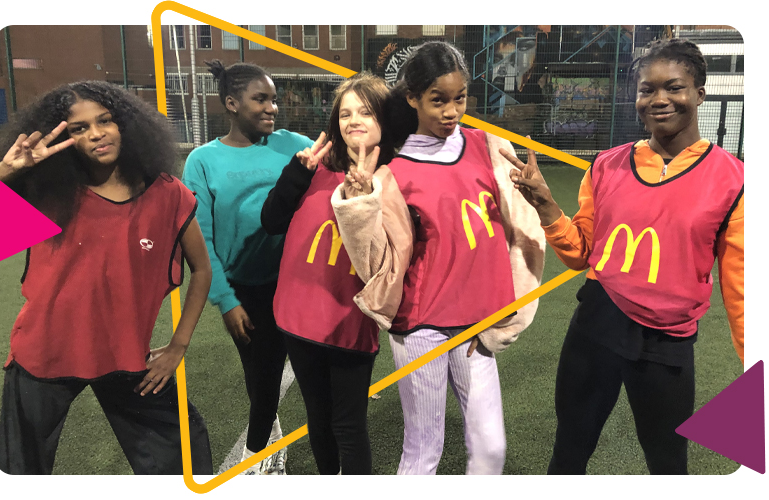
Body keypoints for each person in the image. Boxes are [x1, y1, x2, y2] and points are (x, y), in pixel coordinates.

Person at [500, 38, 744, 475]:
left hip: (667, 344)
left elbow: (742, 290)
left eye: (674, 87)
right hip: (596, 328)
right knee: (569, 452)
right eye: (647, 89)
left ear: (699, 94)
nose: (659, 99)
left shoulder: (732, 180)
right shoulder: (607, 165)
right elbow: (580, 255)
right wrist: (546, 206)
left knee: (669, 465)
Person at [0, 80, 213, 475]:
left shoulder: (169, 195)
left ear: (125, 123)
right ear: (63, 136)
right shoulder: (43, 191)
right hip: (43, 355)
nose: (96, 133)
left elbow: (202, 269)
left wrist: (179, 345)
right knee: (16, 469)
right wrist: (5, 173)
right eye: (79, 128)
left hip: (126, 356)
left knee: (185, 456)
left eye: (105, 120)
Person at [382, 41, 546, 475]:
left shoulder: (486, 146)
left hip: (477, 325)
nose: (452, 110)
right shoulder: (394, 168)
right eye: (438, 100)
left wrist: (533, 193)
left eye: (460, 98)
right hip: (422, 325)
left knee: (491, 449)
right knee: (422, 454)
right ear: (413, 98)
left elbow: (519, 225)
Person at [261, 73, 413, 475]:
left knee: (348, 425)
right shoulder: (315, 167)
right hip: (297, 316)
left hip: (349, 321)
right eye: (345, 112)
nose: (353, 120)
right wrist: (297, 173)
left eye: (365, 110)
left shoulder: (397, 177)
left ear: (384, 117)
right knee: (319, 421)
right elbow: (272, 221)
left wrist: (366, 197)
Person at [181, 60, 314, 475]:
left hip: (296, 284)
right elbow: (200, 240)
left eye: (274, 99)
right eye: (261, 99)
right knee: (260, 379)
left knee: (292, 375)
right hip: (244, 292)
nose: (272, 107)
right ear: (232, 103)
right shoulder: (202, 161)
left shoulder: (293, 144)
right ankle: (263, 448)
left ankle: (262, 454)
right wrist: (226, 300)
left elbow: (341, 160)